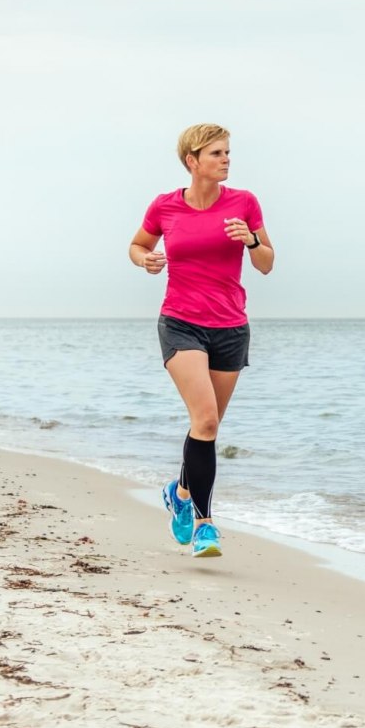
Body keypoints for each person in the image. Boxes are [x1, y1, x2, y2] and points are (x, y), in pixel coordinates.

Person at [128, 124, 273, 558]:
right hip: (181, 322)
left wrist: (251, 241)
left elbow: (266, 263)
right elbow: (137, 245)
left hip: (231, 327)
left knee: (205, 427)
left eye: (227, 152)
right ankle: (205, 526)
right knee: (206, 420)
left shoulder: (244, 203)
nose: (226, 159)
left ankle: (179, 492)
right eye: (216, 153)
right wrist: (146, 260)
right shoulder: (165, 206)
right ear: (192, 161)